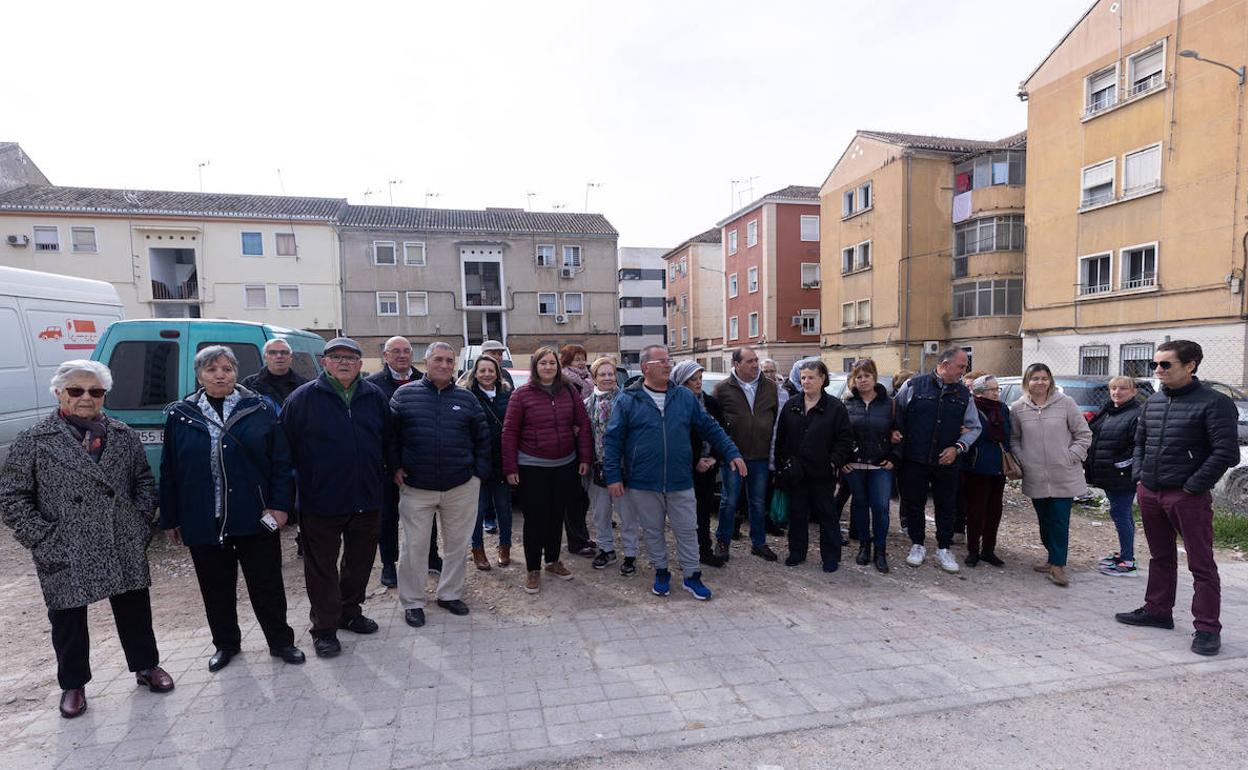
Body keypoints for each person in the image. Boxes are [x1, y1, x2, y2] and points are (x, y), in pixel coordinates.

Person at [0, 360, 174, 719]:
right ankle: (73, 685)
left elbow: (143, 481)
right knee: (68, 620)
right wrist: (43, 538)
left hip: (120, 537)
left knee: (134, 610)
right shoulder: (34, 440)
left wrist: (139, 522)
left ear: (104, 396)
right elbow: (12, 498)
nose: (85, 398)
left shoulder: (123, 435)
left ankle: (146, 666)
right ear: (59, 393)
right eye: (76, 390)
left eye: (95, 391)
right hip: (64, 544)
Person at [160, 346, 304, 673]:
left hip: (254, 516)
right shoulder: (181, 415)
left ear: (236, 372)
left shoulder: (258, 408)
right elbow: (169, 470)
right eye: (212, 370)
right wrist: (171, 517)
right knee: (216, 588)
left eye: (226, 368)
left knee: (267, 584)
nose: (220, 375)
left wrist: (281, 506)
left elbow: (281, 462)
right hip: (203, 518)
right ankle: (226, 644)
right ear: (199, 375)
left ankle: (281, 641)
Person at [1115, 340, 1239, 656]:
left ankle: (1208, 628)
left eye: (1165, 364)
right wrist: (1139, 477)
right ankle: (1157, 611)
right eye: (1155, 364)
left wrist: (1192, 486)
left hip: (1186, 498)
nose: (1158, 370)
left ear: (1191, 365)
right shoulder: (1153, 402)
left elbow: (1226, 452)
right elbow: (1140, 443)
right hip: (1150, 493)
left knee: (1201, 564)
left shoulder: (1215, 404)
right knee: (1160, 557)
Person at [604, 345, 746, 600]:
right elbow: (613, 440)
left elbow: (709, 427)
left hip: (680, 479)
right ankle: (661, 572)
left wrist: (733, 452)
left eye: (669, 361)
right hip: (644, 482)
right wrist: (613, 476)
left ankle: (692, 576)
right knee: (653, 530)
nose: (668, 365)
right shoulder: (628, 399)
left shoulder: (684, 397)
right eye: (662, 361)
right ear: (646, 367)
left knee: (687, 529)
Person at [282, 337, 389, 658]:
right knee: (322, 568)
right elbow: (283, 451)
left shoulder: (374, 397)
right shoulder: (302, 399)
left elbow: (390, 441)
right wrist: (289, 497)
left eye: (351, 357)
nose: (344, 362)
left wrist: (390, 474)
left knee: (360, 562)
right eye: (336, 357)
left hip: (366, 497)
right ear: (324, 362)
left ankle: (350, 612)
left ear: (361, 364)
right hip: (320, 500)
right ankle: (324, 628)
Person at [389, 342, 491, 629]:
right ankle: (413, 602)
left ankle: (449, 594)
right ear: (427, 361)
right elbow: (391, 438)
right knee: (414, 547)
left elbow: (482, 438)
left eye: (450, 360)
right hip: (416, 487)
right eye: (438, 360)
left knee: (457, 546)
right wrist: (395, 466)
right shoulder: (404, 395)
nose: (445, 365)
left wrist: (478, 475)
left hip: (460, 486)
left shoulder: (467, 399)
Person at [502, 346, 593, 594]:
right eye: (543, 363)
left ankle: (552, 561)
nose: (548, 367)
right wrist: (510, 467)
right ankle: (533, 568)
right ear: (536, 366)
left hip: (565, 464)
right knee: (535, 519)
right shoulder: (521, 395)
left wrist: (585, 456)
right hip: (532, 466)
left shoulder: (569, 392)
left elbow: (582, 424)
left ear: (558, 366)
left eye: (552, 363)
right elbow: (509, 432)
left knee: (556, 515)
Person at [895, 348, 981, 573]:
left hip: (947, 461)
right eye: (961, 366)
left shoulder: (964, 395)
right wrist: (897, 437)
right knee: (914, 503)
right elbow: (897, 414)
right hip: (915, 458)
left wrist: (958, 447)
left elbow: (974, 427)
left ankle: (944, 547)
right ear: (944, 365)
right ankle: (917, 544)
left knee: (946, 505)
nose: (964, 371)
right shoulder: (913, 386)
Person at [365, 336, 440, 589]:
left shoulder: (425, 380)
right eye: (395, 351)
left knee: (425, 513)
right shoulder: (372, 386)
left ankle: (431, 556)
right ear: (385, 356)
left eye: (406, 351)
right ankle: (388, 563)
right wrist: (391, 463)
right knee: (388, 516)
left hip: (420, 462)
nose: (402, 355)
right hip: (386, 464)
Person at [1009, 362, 1092, 587]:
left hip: (1063, 473)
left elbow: (1083, 434)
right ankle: (1051, 557)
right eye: (1035, 378)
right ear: (1027, 382)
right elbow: (1014, 438)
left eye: (1044, 378)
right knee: (1044, 521)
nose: (1040, 382)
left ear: (1050, 381)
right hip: (1034, 473)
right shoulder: (1018, 408)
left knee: (1059, 520)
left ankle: (1058, 565)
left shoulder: (1065, 403)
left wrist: (1071, 456)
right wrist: (1022, 458)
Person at [776, 359, 854, 571]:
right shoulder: (791, 405)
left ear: (822, 379)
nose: (806, 381)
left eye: (811, 377)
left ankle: (830, 557)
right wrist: (783, 464)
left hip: (822, 474)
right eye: (803, 377)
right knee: (797, 514)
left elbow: (845, 440)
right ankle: (797, 553)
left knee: (827, 516)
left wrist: (833, 462)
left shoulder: (835, 407)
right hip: (797, 473)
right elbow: (781, 438)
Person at [713, 346, 780, 562]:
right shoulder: (722, 389)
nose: (755, 365)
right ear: (736, 364)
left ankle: (758, 543)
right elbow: (714, 424)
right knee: (729, 501)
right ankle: (723, 542)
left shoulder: (769, 387)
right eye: (749, 361)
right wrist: (724, 452)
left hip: (760, 456)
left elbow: (775, 416)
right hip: (734, 457)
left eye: (755, 360)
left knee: (758, 503)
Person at [841, 358, 898, 573]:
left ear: (875, 377)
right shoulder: (847, 403)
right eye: (859, 376)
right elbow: (840, 436)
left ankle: (880, 551)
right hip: (854, 466)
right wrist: (843, 461)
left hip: (880, 466)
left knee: (881, 508)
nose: (863, 380)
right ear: (853, 380)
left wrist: (894, 457)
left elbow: (901, 433)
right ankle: (864, 546)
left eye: (867, 375)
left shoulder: (890, 404)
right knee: (860, 507)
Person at [672, 360, 728, 569]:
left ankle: (704, 550)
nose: (697, 383)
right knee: (684, 515)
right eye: (692, 380)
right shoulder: (675, 404)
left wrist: (714, 458)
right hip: (684, 468)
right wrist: (695, 460)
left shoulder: (711, 403)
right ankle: (686, 555)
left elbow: (721, 432)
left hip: (707, 466)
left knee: (703, 512)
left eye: (699, 379)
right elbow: (677, 438)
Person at [1085, 376, 1142, 577]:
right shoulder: (1108, 410)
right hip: (1108, 474)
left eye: (1123, 389)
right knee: (1122, 514)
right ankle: (1126, 554)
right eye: (1113, 388)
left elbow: (1138, 448)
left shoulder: (1136, 414)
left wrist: (1120, 465)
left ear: (1134, 391)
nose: (1117, 392)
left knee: (1120, 514)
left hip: (1122, 476)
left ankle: (1127, 562)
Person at [461, 355, 514, 569]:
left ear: (497, 372)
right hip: (477, 463)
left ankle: (505, 546)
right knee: (478, 510)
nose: (486, 374)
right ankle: (478, 550)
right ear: (475, 373)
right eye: (482, 370)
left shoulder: (506, 393)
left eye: (490, 370)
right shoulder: (467, 395)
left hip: (502, 461)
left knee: (504, 508)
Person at [584, 357, 636, 570]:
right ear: (594, 378)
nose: (607, 378)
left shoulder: (627, 401)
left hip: (623, 466)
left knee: (627, 513)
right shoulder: (586, 404)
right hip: (597, 466)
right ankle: (606, 549)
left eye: (610, 374)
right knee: (600, 512)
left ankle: (630, 554)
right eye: (602, 374)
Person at [962, 375, 1012, 568]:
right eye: (992, 389)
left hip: (998, 467)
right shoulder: (970, 407)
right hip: (976, 466)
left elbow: (1009, 433)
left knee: (994, 510)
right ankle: (973, 550)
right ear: (980, 391)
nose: (996, 393)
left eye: (997, 389)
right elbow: (968, 433)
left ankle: (989, 550)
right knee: (975, 510)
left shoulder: (1002, 409)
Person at [558, 344, 597, 556]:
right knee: (573, 497)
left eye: (583, 358)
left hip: (587, 441)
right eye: (576, 359)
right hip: (571, 446)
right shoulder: (566, 383)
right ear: (566, 362)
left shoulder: (587, 380)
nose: (581, 362)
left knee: (584, 497)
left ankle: (582, 536)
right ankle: (576, 541)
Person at [241, 338, 307, 408]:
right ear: (265, 357)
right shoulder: (249, 384)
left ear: (290, 358)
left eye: (284, 352)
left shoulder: (303, 386)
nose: (279, 356)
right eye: (272, 352)